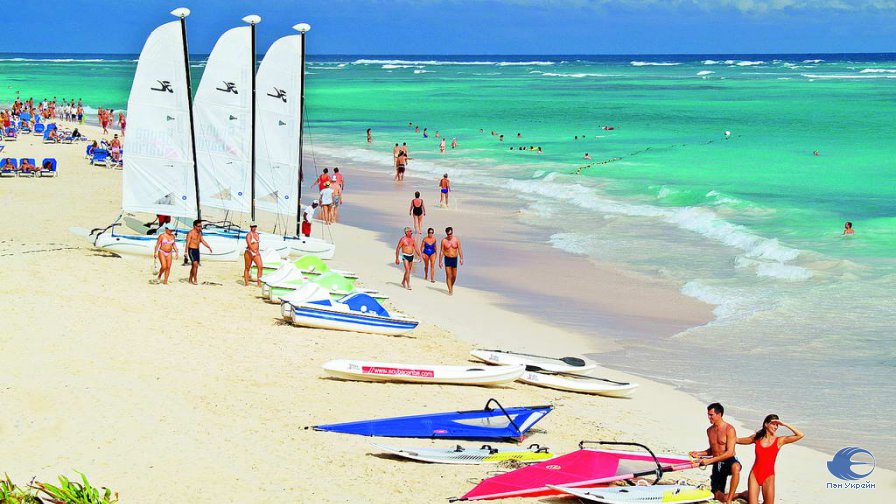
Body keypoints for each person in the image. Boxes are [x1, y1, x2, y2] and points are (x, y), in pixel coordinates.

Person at [735, 415, 804, 504]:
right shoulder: (757, 438)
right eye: (773, 424)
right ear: (766, 424)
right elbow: (738, 440)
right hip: (754, 475)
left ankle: (746, 495)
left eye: (777, 425)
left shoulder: (779, 441)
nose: (776, 427)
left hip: (769, 476)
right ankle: (744, 495)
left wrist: (784, 424)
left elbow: (800, 435)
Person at [689, 403, 741, 504]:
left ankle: (729, 499)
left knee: (736, 467)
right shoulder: (709, 430)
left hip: (728, 460)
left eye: (711, 415)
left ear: (719, 414)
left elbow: (730, 452)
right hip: (717, 464)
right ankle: (742, 494)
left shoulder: (729, 429)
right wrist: (698, 453)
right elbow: (712, 450)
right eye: (708, 414)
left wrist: (709, 460)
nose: (709, 417)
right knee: (717, 496)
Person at [185, 220, 213, 285]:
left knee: (195, 266)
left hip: (197, 251)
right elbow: (187, 243)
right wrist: (185, 252)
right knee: (195, 264)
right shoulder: (190, 233)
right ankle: (195, 280)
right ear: (195, 226)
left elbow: (202, 241)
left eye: (201, 226)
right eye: (199, 226)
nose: (200, 227)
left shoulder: (199, 233)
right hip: (191, 250)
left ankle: (190, 279)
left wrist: (208, 247)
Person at [438, 226, 463, 295]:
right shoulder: (444, 241)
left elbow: (460, 249)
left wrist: (461, 258)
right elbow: (441, 251)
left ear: (452, 232)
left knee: (454, 276)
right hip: (447, 258)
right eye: (448, 234)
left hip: (454, 259)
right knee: (448, 275)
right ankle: (450, 290)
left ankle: (451, 285)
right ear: (446, 233)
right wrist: (440, 261)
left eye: (451, 234)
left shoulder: (456, 240)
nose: (450, 235)